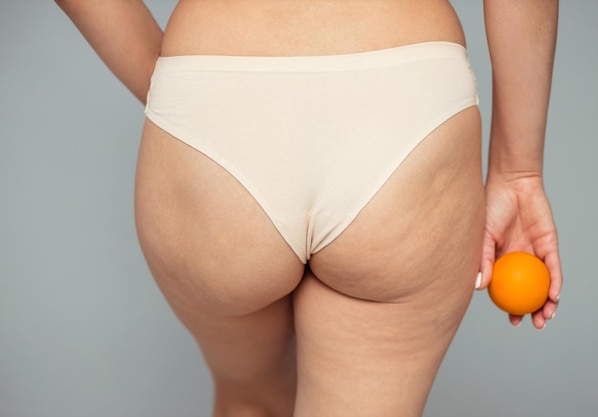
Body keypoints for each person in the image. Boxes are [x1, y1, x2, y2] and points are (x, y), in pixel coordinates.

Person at [55, 0, 562, 416]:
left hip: (217, 87)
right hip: (400, 92)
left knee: (249, 402)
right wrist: (518, 171)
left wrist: (188, 100)